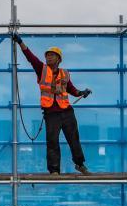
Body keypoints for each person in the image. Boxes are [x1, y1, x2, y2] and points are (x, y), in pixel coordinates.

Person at [12, 34, 92, 175]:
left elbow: (71, 89)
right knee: (52, 142)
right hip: (51, 113)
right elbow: (30, 57)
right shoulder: (41, 70)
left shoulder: (64, 74)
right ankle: (54, 170)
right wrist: (20, 42)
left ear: (59, 59)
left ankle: (80, 164)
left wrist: (81, 93)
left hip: (67, 112)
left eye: (52, 55)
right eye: (48, 55)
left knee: (74, 139)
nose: (49, 57)